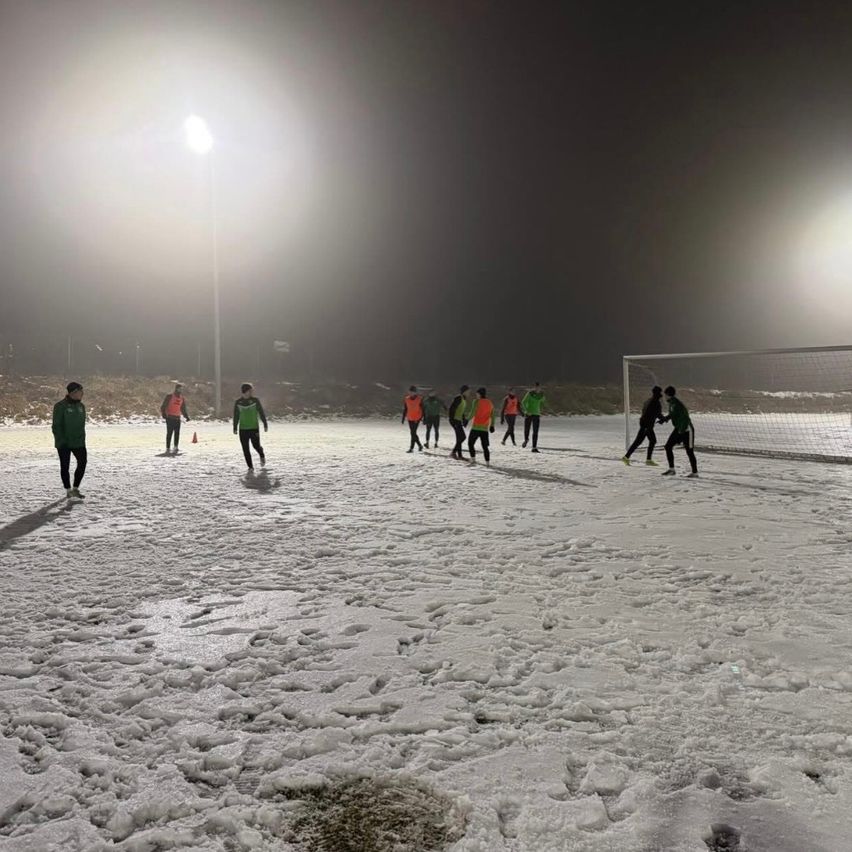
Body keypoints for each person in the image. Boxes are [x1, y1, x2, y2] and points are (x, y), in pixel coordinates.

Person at [52, 381, 87, 499]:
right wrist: (61, 440)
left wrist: (82, 438)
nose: (82, 393)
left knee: (82, 463)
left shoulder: (81, 406)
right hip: (64, 443)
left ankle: (76, 488)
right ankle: (68, 490)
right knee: (65, 466)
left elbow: (81, 425)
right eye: (80, 391)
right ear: (73, 392)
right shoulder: (60, 406)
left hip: (79, 442)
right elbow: (56, 426)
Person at [660, 385, 698, 477]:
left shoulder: (677, 403)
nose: (664, 397)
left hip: (687, 429)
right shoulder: (672, 403)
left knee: (689, 451)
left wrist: (681, 430)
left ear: (668, 395)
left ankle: (695, 473)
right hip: (679, 428)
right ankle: (671, 470)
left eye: (665, 395)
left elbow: (685, 418)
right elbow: (673, 414)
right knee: (668, 446)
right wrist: (665, 419)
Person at [622, 385, 664, 466]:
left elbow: (649, 412)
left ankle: (629, 457)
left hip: (645, 424)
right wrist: (663, 419)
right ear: (658, 393)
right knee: (646, 441)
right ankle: (646, 460)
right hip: (647, 426)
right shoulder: (656, 402)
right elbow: (657, 414)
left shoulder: (648, 401)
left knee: (643, 441)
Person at [233, 383, 268, 471]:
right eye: (250, 390)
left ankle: (261, 454)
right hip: (243, 429)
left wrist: (265, 423)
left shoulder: (255, 400)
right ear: (245, 391)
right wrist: (235, 427)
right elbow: (236, 415)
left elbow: (261, 412)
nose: (251, 392)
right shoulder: (238, 402)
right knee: (245, 449)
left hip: (254, 428)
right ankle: (250, 467)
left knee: (256, 446)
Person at [160, 382, 191, 455]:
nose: (180, 390)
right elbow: (163, 406)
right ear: (176, 389)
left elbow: (183, 409)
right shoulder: (169, 396)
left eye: (181, 389)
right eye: (179, 389)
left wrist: (186, 416)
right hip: (170, 417)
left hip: (177, 418)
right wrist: (164, 414)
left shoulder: (182, 398)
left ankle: (176, 447)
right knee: (169, 433)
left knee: (177, 433)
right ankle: (168, 448)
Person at [467, 387, 496, 465]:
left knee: (470, 443)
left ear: (480, 394)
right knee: (485, 447)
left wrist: (467, 419)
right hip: (484, 429)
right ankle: (487, 462)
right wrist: (492, 425)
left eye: (477, 393)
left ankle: (473, 459)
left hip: (476, 427)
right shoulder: (490, 403)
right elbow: (493, 415)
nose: (476, 395)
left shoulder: (476, 402)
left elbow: (472, 412)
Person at [521, 382, 547, 452]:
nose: (537, 389)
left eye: (539, 387)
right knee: (527, 429)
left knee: (535, 431)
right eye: (536, 387)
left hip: (536, 414)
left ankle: (534, 447)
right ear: (534, 387)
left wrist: (542, 410)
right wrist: (526, 411)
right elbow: (523, 402)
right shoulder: (530, 394)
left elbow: (544, 403)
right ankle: (526, 440)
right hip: (529, 414)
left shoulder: (541, 395)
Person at [447, 385, 470, 460]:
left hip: (458, 420)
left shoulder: (464, 399)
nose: (469, 393)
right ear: (464, 391)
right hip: (455, 420)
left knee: (459, 438)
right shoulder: (458, 398)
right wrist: (452, 420)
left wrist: (464, 421)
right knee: (462, 437)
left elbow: (461, 412)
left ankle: (459, 456)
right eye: (468, 391)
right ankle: (453, 453)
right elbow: (451, 409)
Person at [401, 385, 424, 453]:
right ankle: (420, 445)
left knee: (413, 433)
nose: (411, 393)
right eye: (410, 392)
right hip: (410, 417)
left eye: (412, 392)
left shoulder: (420, 399)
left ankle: (411, 448)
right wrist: (403, 418)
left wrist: (424, 418)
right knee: (413, 433)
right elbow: (405, 409)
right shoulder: (406, 399)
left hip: (417, 417)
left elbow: (423, 409)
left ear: (415, 392)